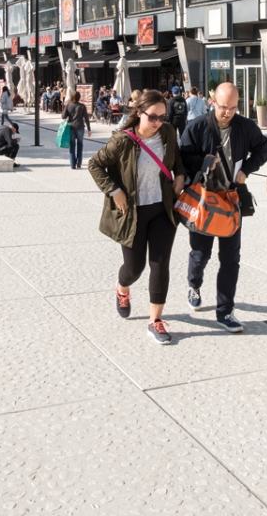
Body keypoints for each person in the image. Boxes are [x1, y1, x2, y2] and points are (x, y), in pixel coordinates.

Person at [87, 89, 188, 345]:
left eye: (163, 117)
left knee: (160, 264)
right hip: (133, 212)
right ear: (139, 113)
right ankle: (122, 288)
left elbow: (176, 160)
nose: (158, 123)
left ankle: (155, 320)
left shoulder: (167, 133)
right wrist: (115, 191)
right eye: (153, 117)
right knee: (134, 269)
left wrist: (180, 176)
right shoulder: (122, 141)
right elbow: (95, 165)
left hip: (162, 209)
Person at [180, 82, 267, 333]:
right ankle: (194, 284)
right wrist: (205, 163)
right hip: (204, 201)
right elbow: (183, 157)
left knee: (231, 258)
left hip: (231, 201)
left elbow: (264, 149)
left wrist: (247, 170)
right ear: (213, 102)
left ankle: (225, 311)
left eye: (232, 107)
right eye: (222, 107)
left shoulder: (245, 126)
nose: (227, 112)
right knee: (201, 255)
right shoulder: (197, 127)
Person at [62, 91, 93, 169]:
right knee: (80, 144)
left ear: (71, 97)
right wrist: (89, 129)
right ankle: (79, 162)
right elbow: (86, 118)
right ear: (79, 97)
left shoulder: (68, 105)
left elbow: (63, 116)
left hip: (71, 127)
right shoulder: (82, 106)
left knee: (72, 145)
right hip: (80, 127)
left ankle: (72, 164)